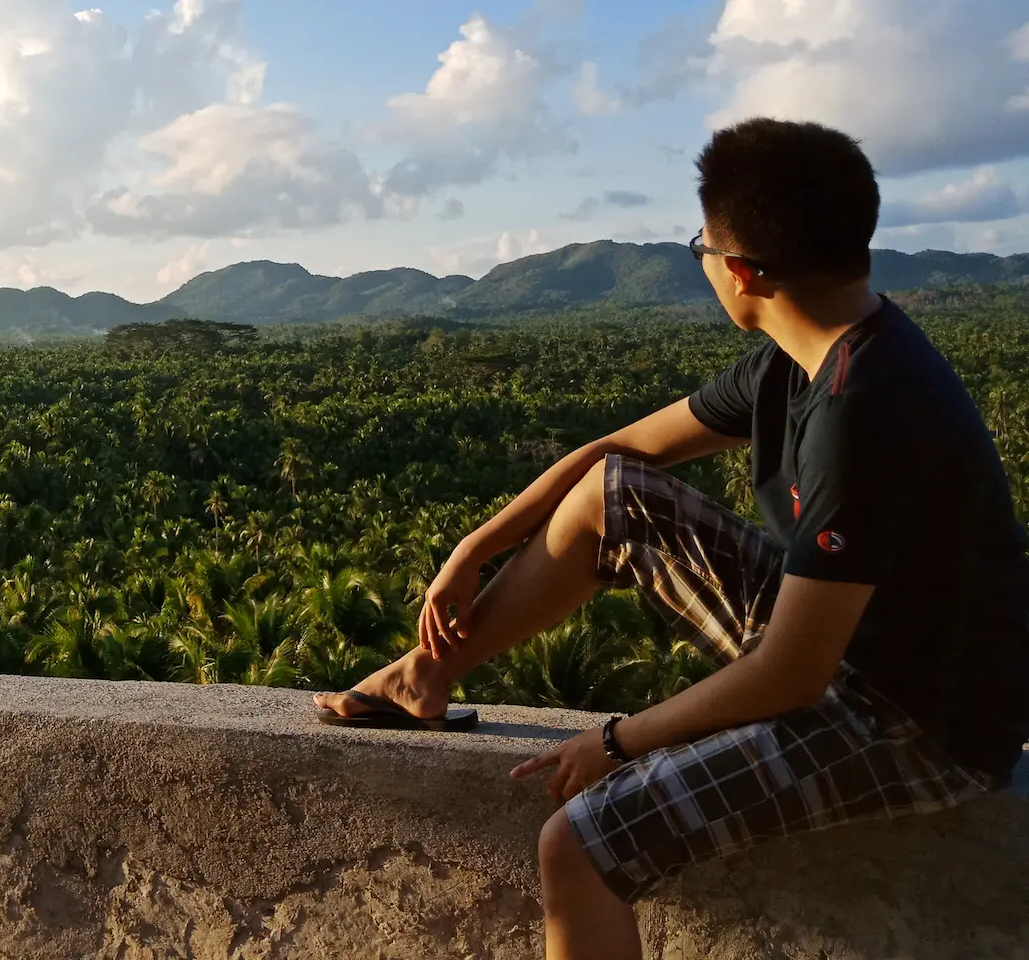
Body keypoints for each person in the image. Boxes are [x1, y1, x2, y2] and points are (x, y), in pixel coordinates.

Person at [312, 118, 1029, 960]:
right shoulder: (798, 354)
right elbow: (613, 455)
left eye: (701, 246)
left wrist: (618, 740)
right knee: (615, 495)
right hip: (851, 641)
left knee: (579, 844)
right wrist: (475, 546)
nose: (702, 265)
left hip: (915, 717)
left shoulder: (862, 406)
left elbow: (794, 672)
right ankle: (422, 676)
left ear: (744, 271)